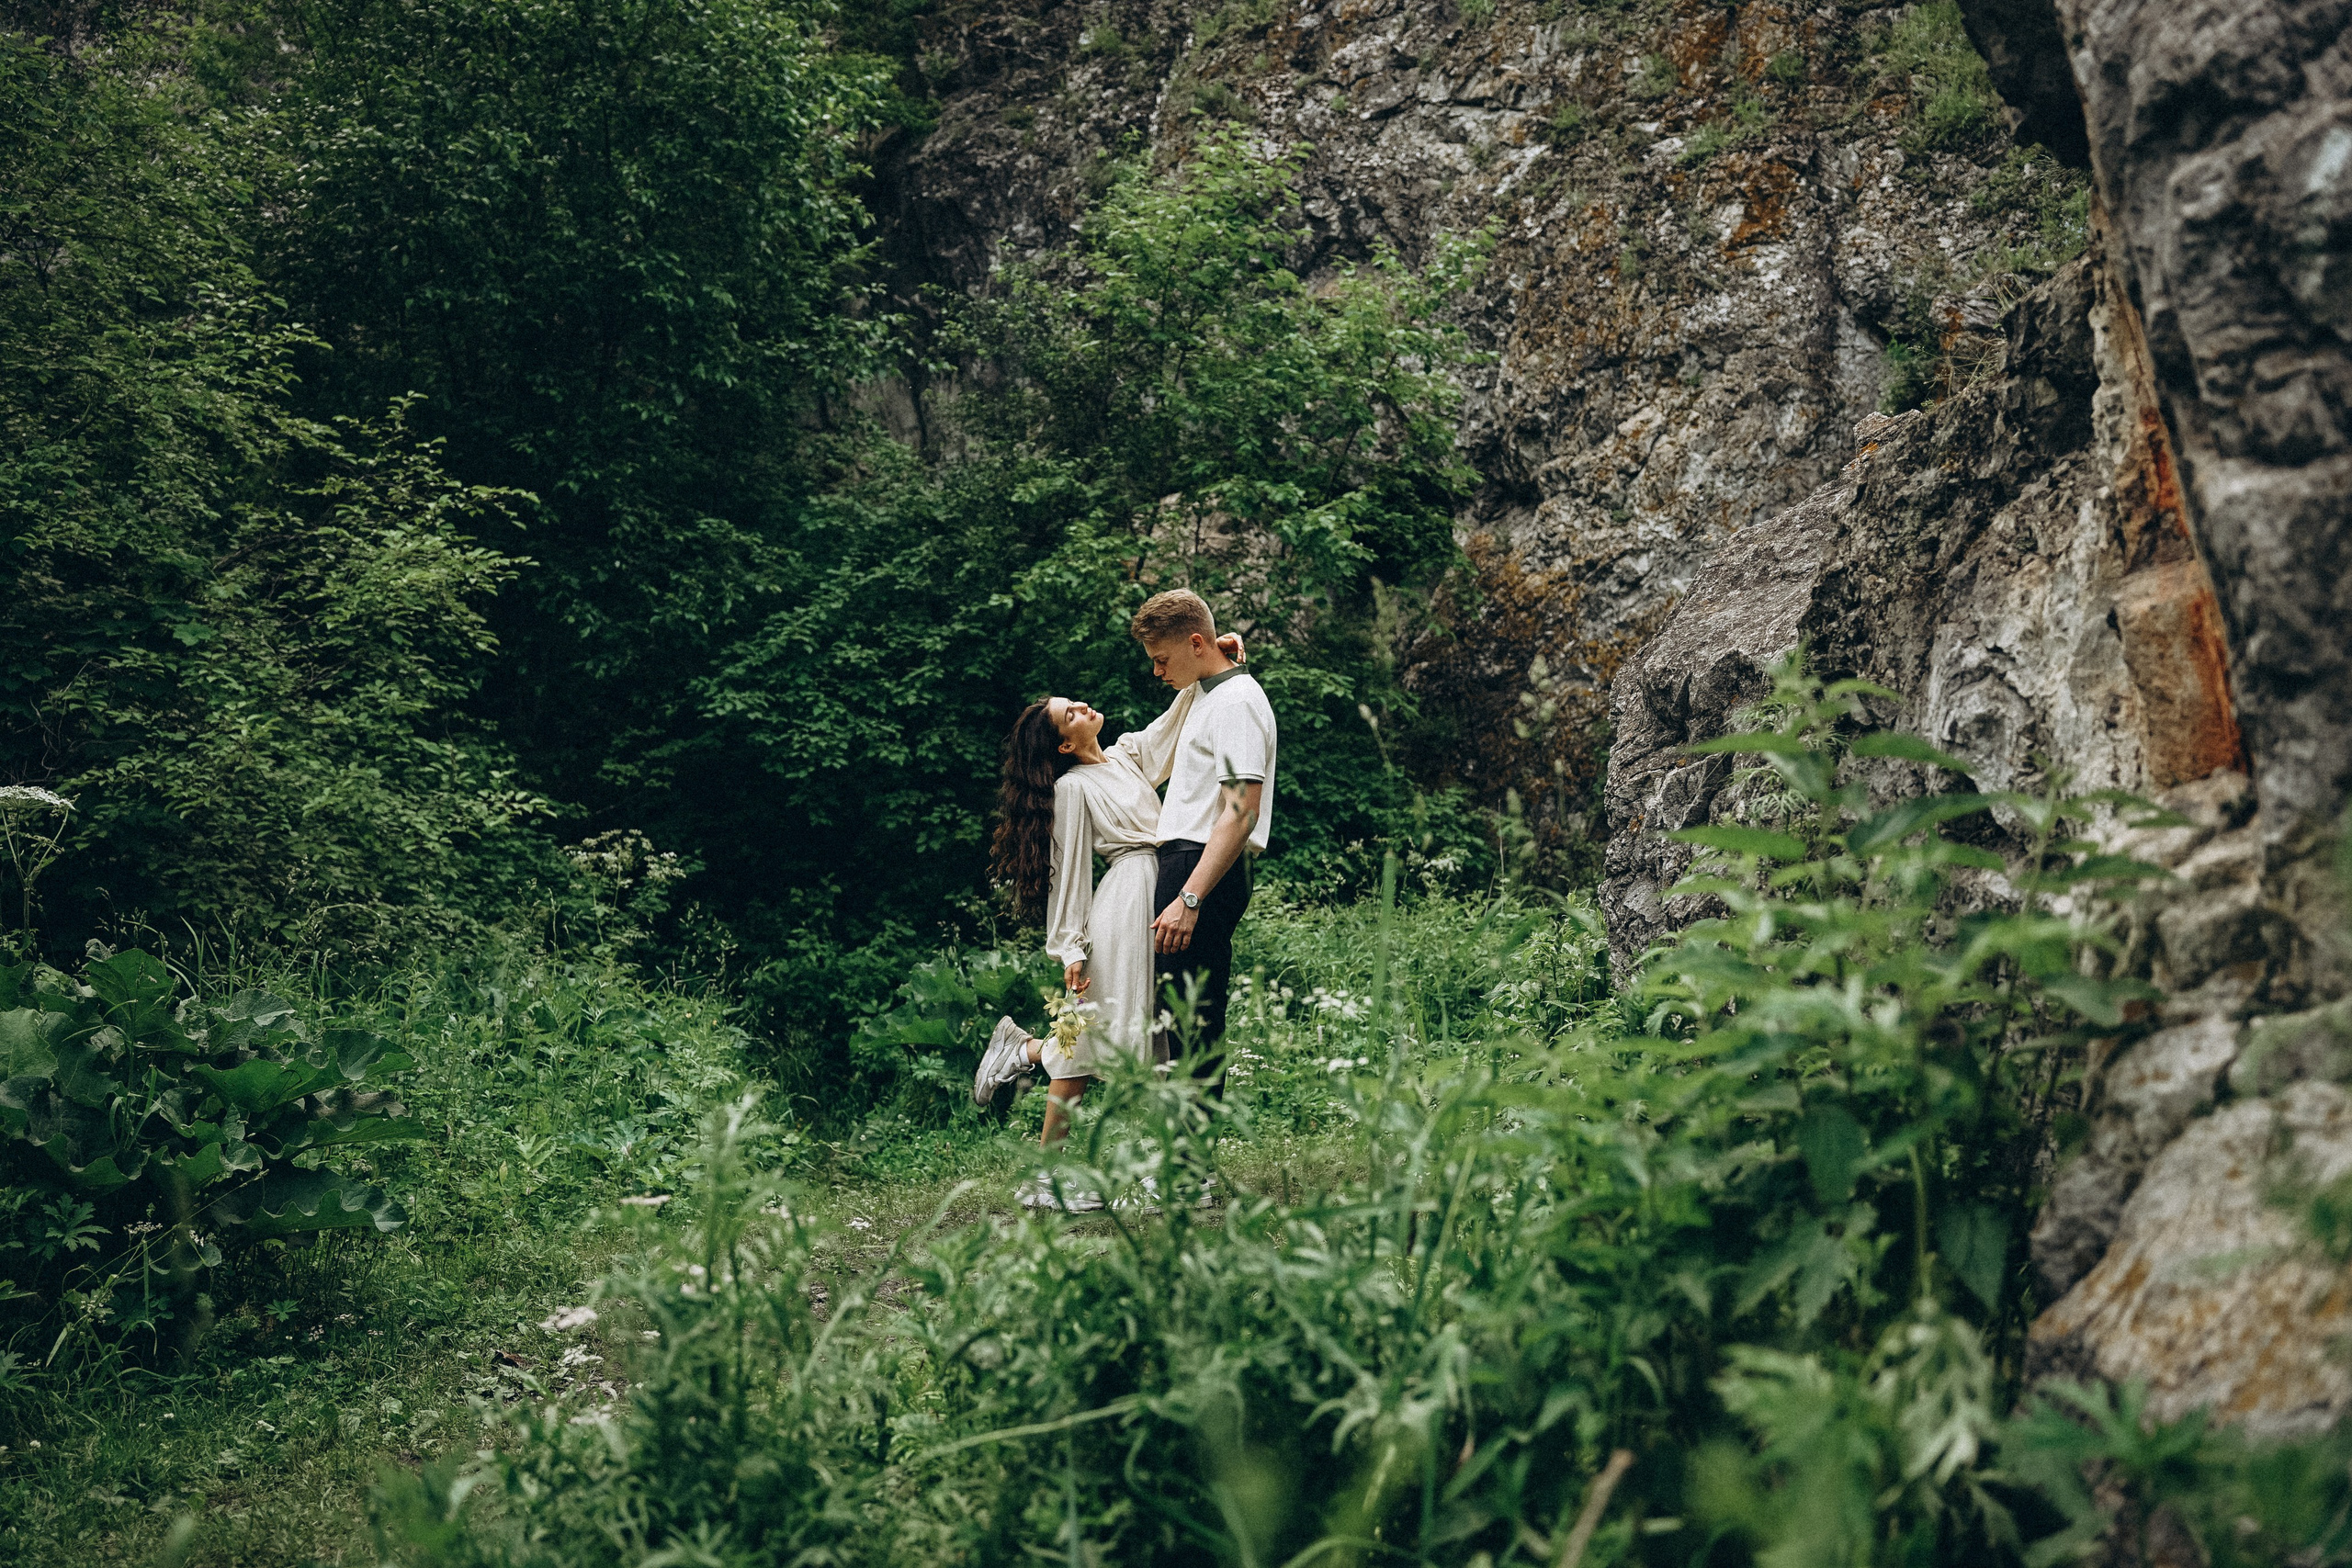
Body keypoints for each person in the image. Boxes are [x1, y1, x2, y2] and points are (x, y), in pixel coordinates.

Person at [1132, 590, 1275, 1088]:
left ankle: (1192, 1166)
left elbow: (1241, 810)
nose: (1157, 672)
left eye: (1162, 659)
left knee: (1195, 1021)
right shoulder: (1210, 693)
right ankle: (1185, 1160)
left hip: (1202, 869)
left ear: (1196, 643)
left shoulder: (1236, 702)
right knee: (1180, 1017)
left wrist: (1190, 896)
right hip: (1191, 865)